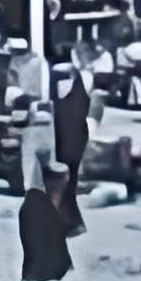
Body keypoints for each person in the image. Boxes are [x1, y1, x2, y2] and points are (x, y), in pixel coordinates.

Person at [48, 58, 92, 234]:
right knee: (63, 184)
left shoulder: (80, 88)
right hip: (60, 140)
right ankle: (69, 221)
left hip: (74, 142)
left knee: (68, 182)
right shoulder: (57, 89)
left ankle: (70, 222)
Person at [18, 178, 73, 281]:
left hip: (35, 262)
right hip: (56, 261)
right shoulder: (46, 206)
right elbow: (60, 230)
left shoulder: (25, 209)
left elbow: (25, 236)